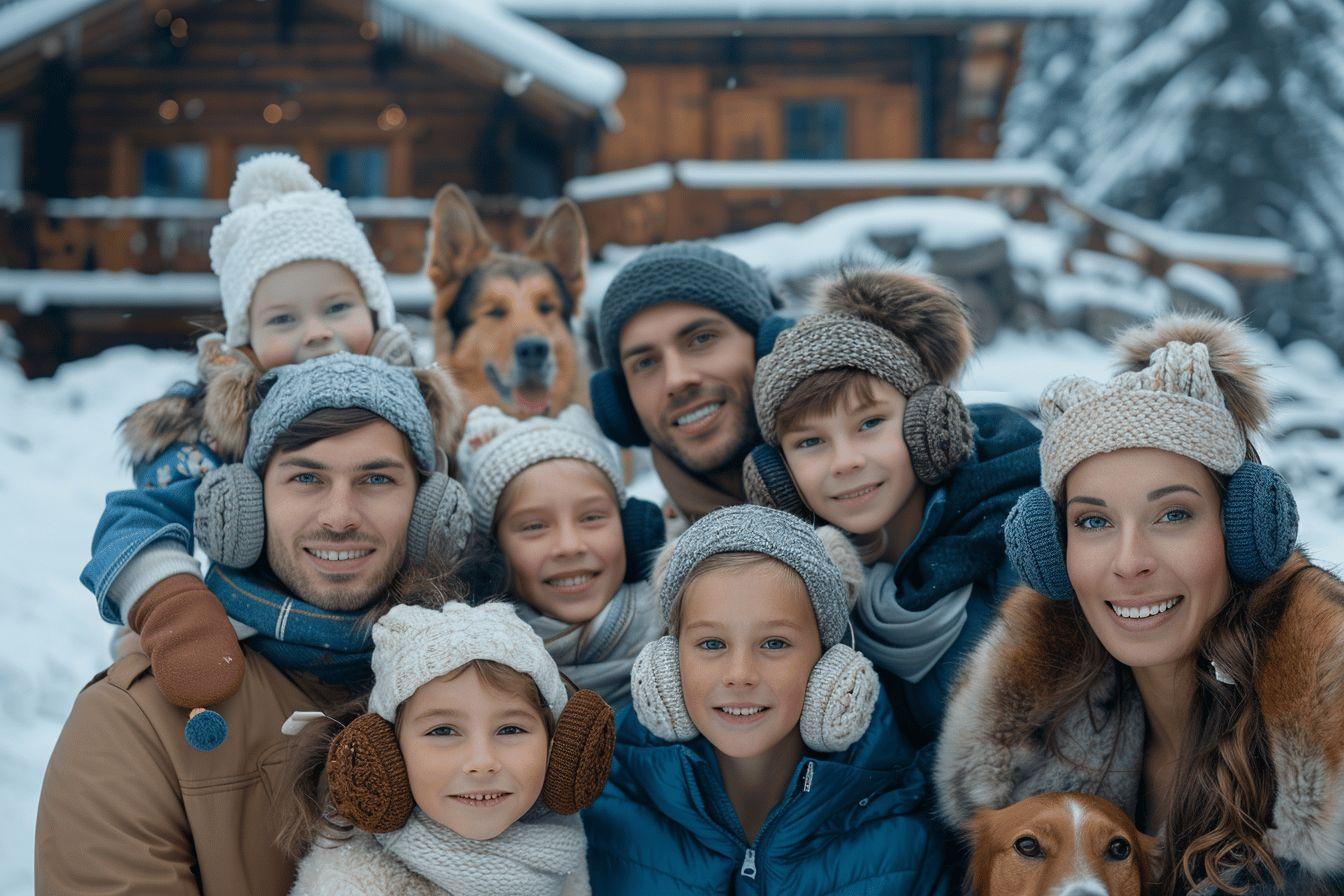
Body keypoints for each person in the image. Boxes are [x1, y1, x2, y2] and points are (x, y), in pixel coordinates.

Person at [935, 316, 1344, 895]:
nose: (1129, 562)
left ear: (1243, 530)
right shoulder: (1035, 757)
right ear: (1054, 553)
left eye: (1173, 514)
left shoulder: (1334, 756)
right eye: (1094, 521)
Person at [36, 353, 473, 894]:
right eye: (306, 477)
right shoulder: (135, 723)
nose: (339, 517)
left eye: (377, 478)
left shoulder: (497, 697)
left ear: (430, 507)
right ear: (247, 501)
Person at [79, 153, 457, 740]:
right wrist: (174, 611)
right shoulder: (214, 435)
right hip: (251, 645)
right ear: (245, 342)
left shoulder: (417, 406)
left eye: (337, 307)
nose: (316, 331)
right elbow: (137, 520)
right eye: (283, 318)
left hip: (395, 644)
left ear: (375, 313)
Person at [586, 504, 951, 895]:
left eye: (775, 643)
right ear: (670, 661)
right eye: (712, 643)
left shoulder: (909, 832)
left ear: (829, 661)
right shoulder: (600, 805)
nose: (740, 674)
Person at [744, 267, 1040, 743]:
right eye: (810, 442)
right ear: (777, 476)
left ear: (929, 423)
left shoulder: (1022, 542)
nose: (845, 461)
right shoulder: (800, 586)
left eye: (869, 424)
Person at [287, 600, 614, 896]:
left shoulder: (560, 847)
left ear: (555, 745)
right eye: (443, 731)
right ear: (388, 754)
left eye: (510, 729)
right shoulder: (350, 885)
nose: (482, 762)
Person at [456, 405, 665, 708]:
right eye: (535, 526)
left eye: (592, 517)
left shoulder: (684, 628)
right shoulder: (470, 673)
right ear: (491, 555)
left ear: (632, 529)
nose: (569, 546)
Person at [588, 241, 788, 527]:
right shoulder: (620, 566)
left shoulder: (872, 507)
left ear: (769, 346)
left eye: (702, 338)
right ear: (622, 407)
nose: (677, 379)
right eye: (645, 363)